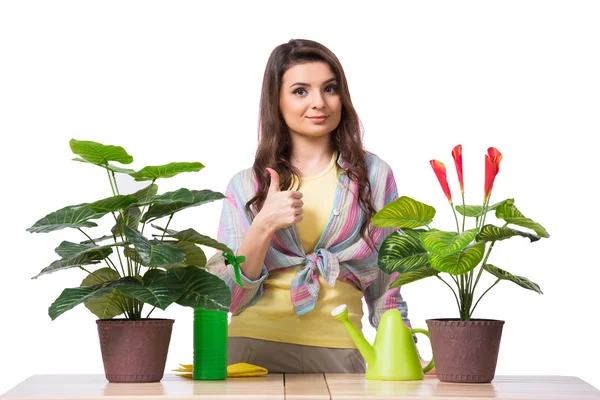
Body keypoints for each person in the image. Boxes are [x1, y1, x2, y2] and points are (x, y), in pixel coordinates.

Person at [206, 38, 428, 374]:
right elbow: (228, 297)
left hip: (342, 351)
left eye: (330, 88)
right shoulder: (246, 185)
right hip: (248, 351)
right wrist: (264, 224)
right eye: (300, 91)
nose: (319, 103)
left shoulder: (374, 176)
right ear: (276, 101)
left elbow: (388, 282)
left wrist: (407, 348)